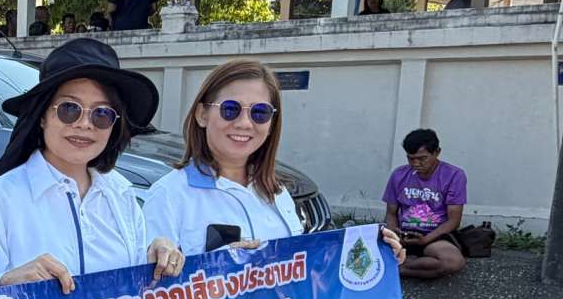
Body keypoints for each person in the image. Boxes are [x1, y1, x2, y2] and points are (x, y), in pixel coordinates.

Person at [0, 37, 183, 293]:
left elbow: (135, 289)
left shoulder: (121, 195)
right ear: (42, 116)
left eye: (102, 113)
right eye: (69, 109)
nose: (85, 124)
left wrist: (155, 256)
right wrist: (5, 283)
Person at [145, 59, 406, 262]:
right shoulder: (168, 196)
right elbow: (146, 294)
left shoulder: (277, 193)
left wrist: (375, 256)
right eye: (230, 109)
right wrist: (217, 266)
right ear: (202, 114)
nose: (245, 123)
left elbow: (304, 273)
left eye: (260, 113)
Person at [384, 128, 467, 280]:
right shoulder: (399, 175)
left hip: (435, 235)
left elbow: (453, 221)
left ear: (437, 152)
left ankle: (398, 269)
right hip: (404, 234)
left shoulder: (454, 175)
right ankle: (408, 264)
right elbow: (391, 214)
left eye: (422, 158)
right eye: (411, 158)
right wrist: (394, 238)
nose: (416, 163)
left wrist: (426, 239)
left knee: (453, 262)